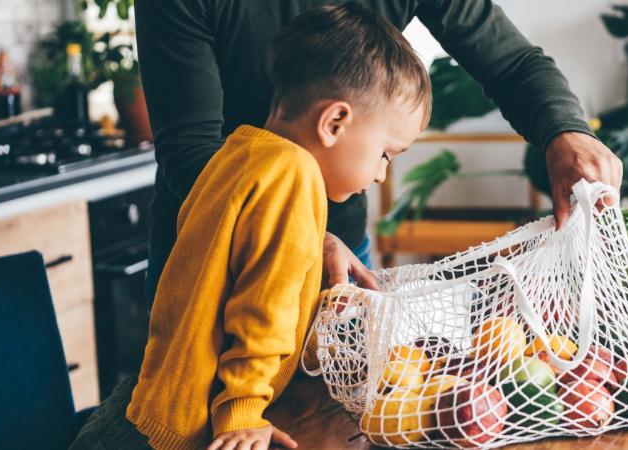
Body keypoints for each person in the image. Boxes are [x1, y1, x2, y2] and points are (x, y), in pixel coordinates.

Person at [69, 4, 431, 450]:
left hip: (149, 408)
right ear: (334, 122)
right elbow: (261, 314)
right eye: (385, 154)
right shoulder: (293, 180)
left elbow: (236, 289)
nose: (381, 175)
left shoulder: (241, 153)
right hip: (188, 430)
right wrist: (242, 413)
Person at [136, 0, 623, 301]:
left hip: (342, 251)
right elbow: (191, 153)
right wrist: (296, 235)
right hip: (212, 252)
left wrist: (568, 132)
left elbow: (513, 63)